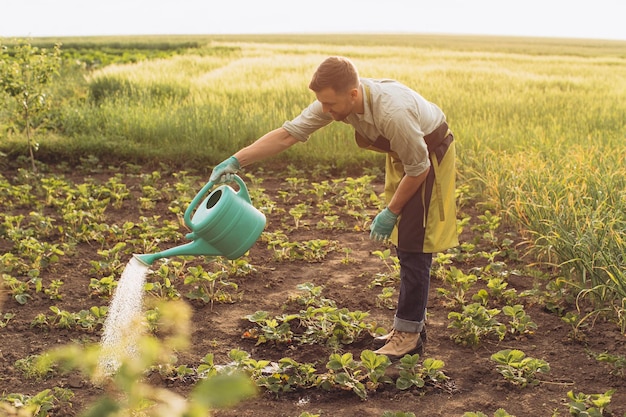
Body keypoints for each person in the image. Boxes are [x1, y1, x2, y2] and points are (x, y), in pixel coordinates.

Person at [210, 56, 459, 360]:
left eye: (330, 104)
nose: (325, 111)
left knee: (414, 244)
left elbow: (418, 168)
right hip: (406, 156)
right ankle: (406, 327)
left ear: (353, 94)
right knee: (404, 242)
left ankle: (409, 336)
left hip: (428, 158)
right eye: (321, 103)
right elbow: (289, 134)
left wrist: (391, 211)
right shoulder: (338, 101)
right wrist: (236, 160)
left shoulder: (393, 112)